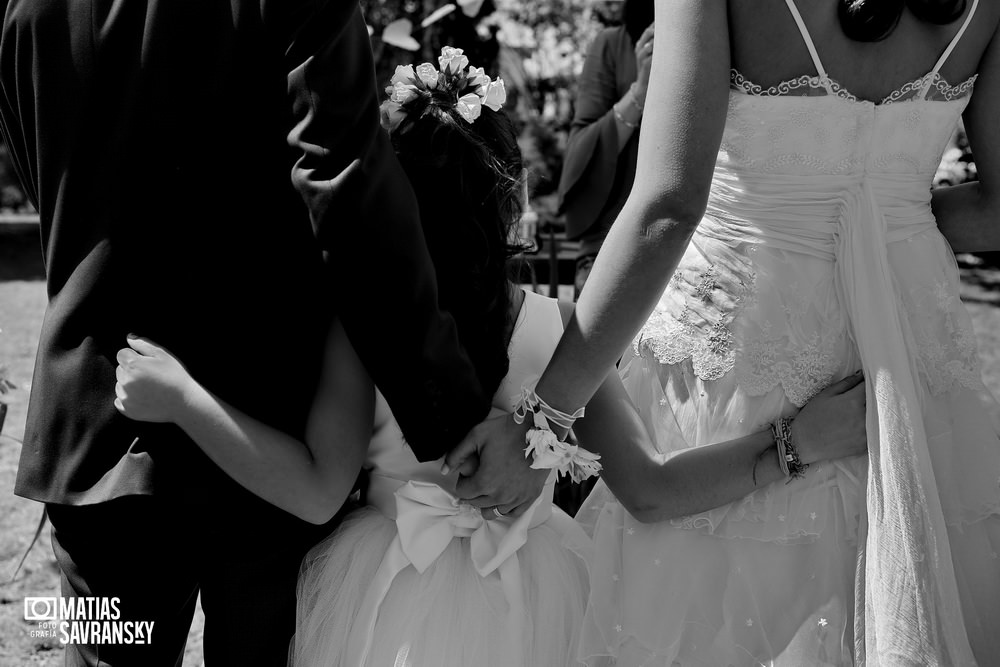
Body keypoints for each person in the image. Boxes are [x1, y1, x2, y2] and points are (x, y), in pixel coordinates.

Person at [113, 48, 869, 667]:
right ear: (510, 199)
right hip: (544, 604)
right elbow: (652, 489)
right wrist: (794, 444)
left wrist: (181, 396)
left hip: (381, 603)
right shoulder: (563, 334)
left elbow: (314, 493)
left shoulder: (362, 331)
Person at [452, 0, 1000, 664]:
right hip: (908, 346)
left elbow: (668, 207)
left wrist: (541, 424)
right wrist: (887, 217)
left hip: (744, 353)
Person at [0, 2, 516, 664]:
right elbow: (345, 188)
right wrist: (453, 410)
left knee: (106, 650)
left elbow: (50, 172)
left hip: (102, 416)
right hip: (268, 425)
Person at [558, 0, 654, 296]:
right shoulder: (612, 45)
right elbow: (579, 152)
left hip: (698, 246)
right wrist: (641, 90)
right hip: (610, 245)